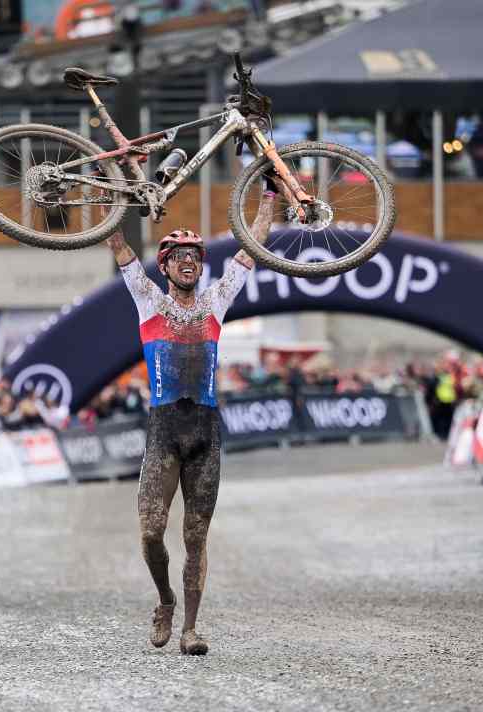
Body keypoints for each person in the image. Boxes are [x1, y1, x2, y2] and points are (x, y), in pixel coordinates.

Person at [106, 179, 278, 655]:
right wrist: (111, 191)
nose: (189, 262)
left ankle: (191, 629)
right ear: (163, 267)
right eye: (179, 258)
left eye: (195, 257)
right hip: (164, 432)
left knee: (195, 539)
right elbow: (116, 240)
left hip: (205, 432)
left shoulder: (215, 302)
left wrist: (269, 197)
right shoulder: (148, 300)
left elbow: (251, 247)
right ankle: (165, 600)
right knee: (150, 532)